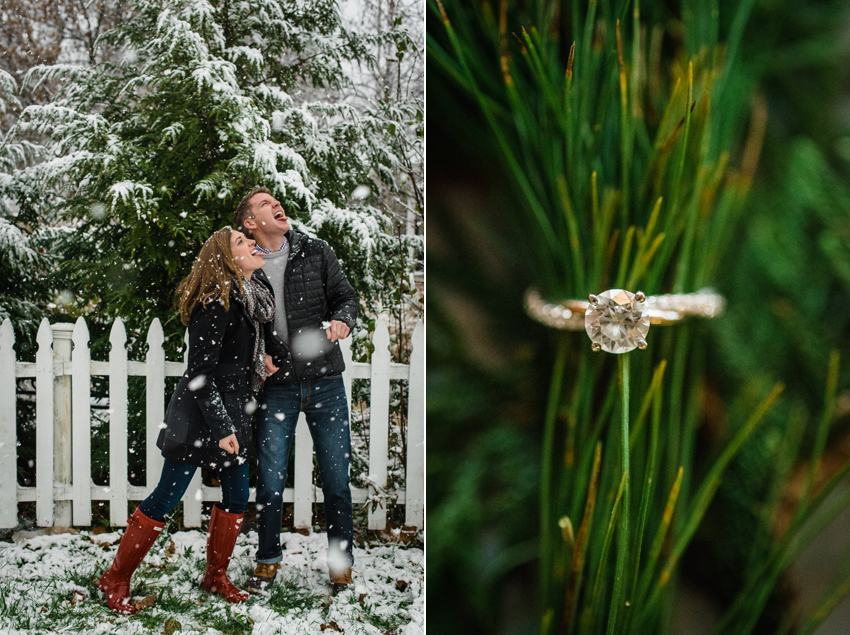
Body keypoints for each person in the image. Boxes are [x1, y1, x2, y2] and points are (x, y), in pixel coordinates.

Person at [97, 227, 275, 614]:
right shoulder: (215, 303)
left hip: (234, 411)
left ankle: (215, 577)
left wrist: (258, 361)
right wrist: (223, 427)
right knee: (166, 497)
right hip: (201, 418)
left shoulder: (248, 297)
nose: (252, 245)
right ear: (226, 259)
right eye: (242, 243)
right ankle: (115, 578)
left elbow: (233, 353)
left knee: (236, 496)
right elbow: (199, 374)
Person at [233, 187, 359, 594]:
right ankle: (267, 561)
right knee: (269, 481)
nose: (277, 205)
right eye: (266, 204)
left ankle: (340, 565)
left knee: (337, 480)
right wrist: (257, 362)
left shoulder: (316, 251)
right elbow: (237, 330)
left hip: (325, 383)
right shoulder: (245, 266)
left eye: (277, 201)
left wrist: (342, 320)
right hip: (278, 389)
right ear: (250, 222)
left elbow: (346, 297)